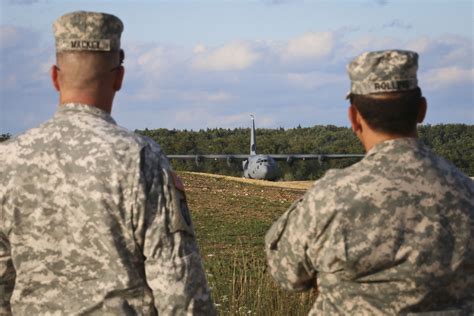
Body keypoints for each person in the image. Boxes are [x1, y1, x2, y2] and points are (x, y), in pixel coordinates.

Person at [0, 11, 216, 315]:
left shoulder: (7, 161)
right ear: (119, 77)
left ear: (54, 77)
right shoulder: (141, 159)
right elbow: (181, 293)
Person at [265, 50, 474, 315]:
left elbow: (286, 274)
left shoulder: (330, 198)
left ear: (354, 118)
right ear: (422, 110)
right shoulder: (467, 193)